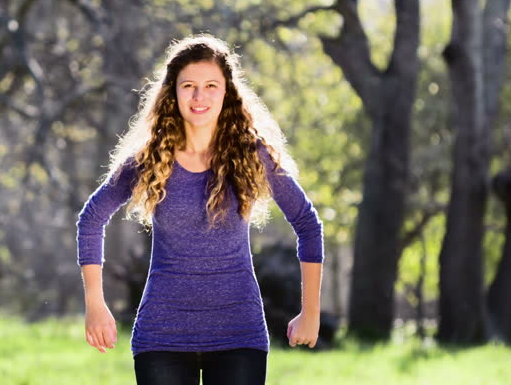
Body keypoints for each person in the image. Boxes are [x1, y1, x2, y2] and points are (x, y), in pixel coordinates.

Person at [75, 34, 324, 385]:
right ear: (172, 92)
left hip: (239, 335)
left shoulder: (253, 154)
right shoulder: (150, 158)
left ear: (227, 92)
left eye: (211, 85)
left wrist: (310, 312)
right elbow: (91, 219)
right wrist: (95, 304)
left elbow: (307, 223)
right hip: (161, 338)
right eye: (188, 85)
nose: (198, 96)